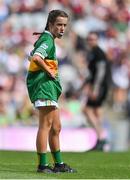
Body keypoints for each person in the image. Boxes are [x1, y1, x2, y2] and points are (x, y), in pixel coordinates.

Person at [26, 10, 76, 173]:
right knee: (45, 125)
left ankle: (59, 164)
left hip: (49, 88)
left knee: (56, 127)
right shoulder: (48, 39)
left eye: (64, 25)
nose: (62, 28)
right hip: (44, 87)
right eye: (59, 25)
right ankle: (42, 165)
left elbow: (31, 54)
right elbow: (36, 57)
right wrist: (49, 70)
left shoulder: (46, 39)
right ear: (50, 24)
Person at [81, 32, 111, 151]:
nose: (90, 41)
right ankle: (101, 139)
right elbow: (92, 74)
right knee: (97, 113)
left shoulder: (99, 53)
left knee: (87, 110)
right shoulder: (93, 53)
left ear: (97, 40)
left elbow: (100, 72)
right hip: (99, 86)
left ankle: (101, 138)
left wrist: (96, 88)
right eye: (89, 39)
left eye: (93, 39)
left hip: (100, 87)